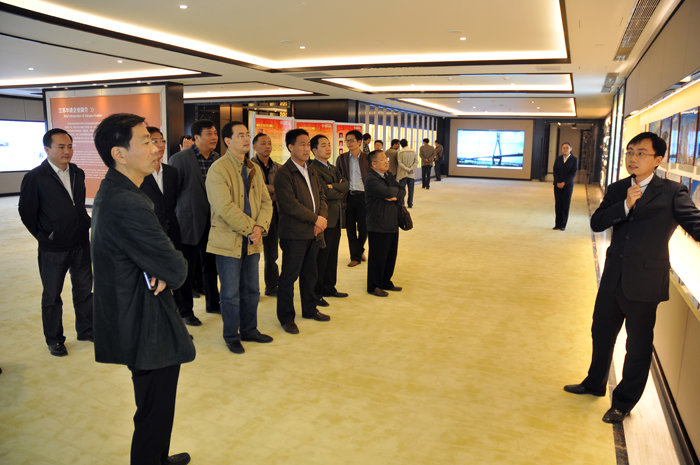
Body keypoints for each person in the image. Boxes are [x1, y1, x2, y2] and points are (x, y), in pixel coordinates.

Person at [564, 132, 700, 424]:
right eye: (630, 152)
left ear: (658, 160)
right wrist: (625, 205)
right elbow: (597, 222)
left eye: (641, 153)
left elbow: (696, 225)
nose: (633, 158)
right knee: (601, 334)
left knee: (637, 347)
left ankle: (623, 403)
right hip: (613, 277)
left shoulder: (673, 192)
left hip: (645, 282)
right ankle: (594, 383)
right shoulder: (617, 189)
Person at [92, 113, 194, 465]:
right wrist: (162, 267)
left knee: (155, 405)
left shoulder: (118, 190)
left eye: (155, 141)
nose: (155, 149)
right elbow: (176, 268)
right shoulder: (128, 202)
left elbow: (145, 257)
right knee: (154, 408)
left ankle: (158, 458)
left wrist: (156, 265)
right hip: (143, 320)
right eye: (146, 142)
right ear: (119, 154)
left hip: (135, 309)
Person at [18, 128, 93, 357]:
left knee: (84, 290)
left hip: (81, 242)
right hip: (53, 249)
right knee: (52, 296)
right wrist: (46, 235)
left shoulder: (77, 172)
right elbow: (27, 213)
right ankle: (55, 339)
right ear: (47, 149)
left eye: (69, 146)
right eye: (60, 147)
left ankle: (87, 330)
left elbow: (78, 206)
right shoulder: (35, 177)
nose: (66, 151)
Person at [206, 122, 274, 354]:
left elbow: (266, 202)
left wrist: (260, 228)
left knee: (252, 290)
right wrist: (252, 228)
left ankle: (249, 330)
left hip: (252, 239)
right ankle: (231, 335)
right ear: (227, 141)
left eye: (247, 134)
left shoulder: (253, 167)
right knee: (230, 294)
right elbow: (224, 207)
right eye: (240, 135)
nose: (246, 138)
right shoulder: (218, 169)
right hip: (228, 239)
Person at [274, 129, 330, 334]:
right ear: (291, 147)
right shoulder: (284, 173)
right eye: (302, 144)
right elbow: (290, 205)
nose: (307, 148)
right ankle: (286, 317)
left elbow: (322, 196)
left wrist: (321, 219)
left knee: (310, 274)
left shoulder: (311, 170)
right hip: (294, 234)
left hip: (314, 232)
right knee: (289, 277)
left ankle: (309, 309)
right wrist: (316, 219)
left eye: (308, 144)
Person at [169, 119, 221, 325]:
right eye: (209, 133)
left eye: (215, 133)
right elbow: (172, 194)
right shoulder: (179, 159)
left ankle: (213, 303)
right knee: (187, 269)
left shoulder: (217, 158)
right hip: (188, 223)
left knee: (211, 266)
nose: (214, 137)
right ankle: (185, 311)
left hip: (214, 222)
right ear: (196, 137)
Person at [140, 127, 188, 317]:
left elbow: (174, 200)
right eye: (154, 141)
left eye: (162, 141)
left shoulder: (171, 172)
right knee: (154, 278)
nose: (160, 145)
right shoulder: (139, 173)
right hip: (150, 234)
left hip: (172, 230)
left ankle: (182, 313)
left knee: (177, 272)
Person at [310, 134, 349, 307]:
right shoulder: (313, 168)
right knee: (321, 257)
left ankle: (329, 287)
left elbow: (346, 185)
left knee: (332, 255)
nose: (328, 148)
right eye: (323, 145)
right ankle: (317, 292)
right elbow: (324, 192)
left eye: (328, 145)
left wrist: (334, 186)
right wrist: (336, 188)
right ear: (314, 150)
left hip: (336, 217)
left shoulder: (332, 167)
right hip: (324, 218)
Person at [365, 150, 404, 297]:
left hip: (392, 221)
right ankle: (374, 286)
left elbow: (401, 189)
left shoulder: (388, 175)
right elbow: (388, 192)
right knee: (378, 257)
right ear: (374, 164)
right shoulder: (371, 179)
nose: (386, 161)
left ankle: (386, 281)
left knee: (390, 255)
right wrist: (394, 192)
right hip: (378, 223)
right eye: (382, 159)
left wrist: (396, 195)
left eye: (386, 159)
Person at [251, 133, 281, 297]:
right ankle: (252, 290)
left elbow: (283, 190)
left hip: (273, 213)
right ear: (254, 147)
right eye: (263, 143)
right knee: (252, 255)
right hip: (254, 216)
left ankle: (272, 287)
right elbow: (254, 190)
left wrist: (265, 189)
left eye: (269, 143)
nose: (267, 146)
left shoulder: (278, 167)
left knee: (272, 254)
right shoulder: (248, 166)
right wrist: (272, 190)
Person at [337, 130, 370, 267]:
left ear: (359, 142)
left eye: (352, 140)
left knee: (364, 227)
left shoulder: (367, 158)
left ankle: (359, 249)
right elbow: (338, 176)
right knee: (350, 228)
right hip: (348, 196)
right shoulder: (342, 158)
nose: (349, 143)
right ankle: (355, 256)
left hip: (364, 196)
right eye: (347, 140)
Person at [552, 142, 578, 231]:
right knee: (558, 204)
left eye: (567, 148)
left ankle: (563, 225)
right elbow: (555, 171)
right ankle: (557, 224)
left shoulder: (574, 159)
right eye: (563, 148)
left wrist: (564, 182)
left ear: (571, 149)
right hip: (557, 185)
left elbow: (573, 173)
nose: (565, 149)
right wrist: (557, 182)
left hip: (568, 185)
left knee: (565, 204)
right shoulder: (558, 158)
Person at [397, 139, 418, 208]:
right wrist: (410, 169)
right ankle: (410, 203)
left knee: (402, 190)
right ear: (407, 143)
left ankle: (402, 204)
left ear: (401, 145)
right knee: (411, 190)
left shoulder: (400, 152)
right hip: (411, 173)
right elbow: (416, 162)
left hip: (403, 173)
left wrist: (406, 169)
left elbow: (400, 163)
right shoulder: (413, 151)